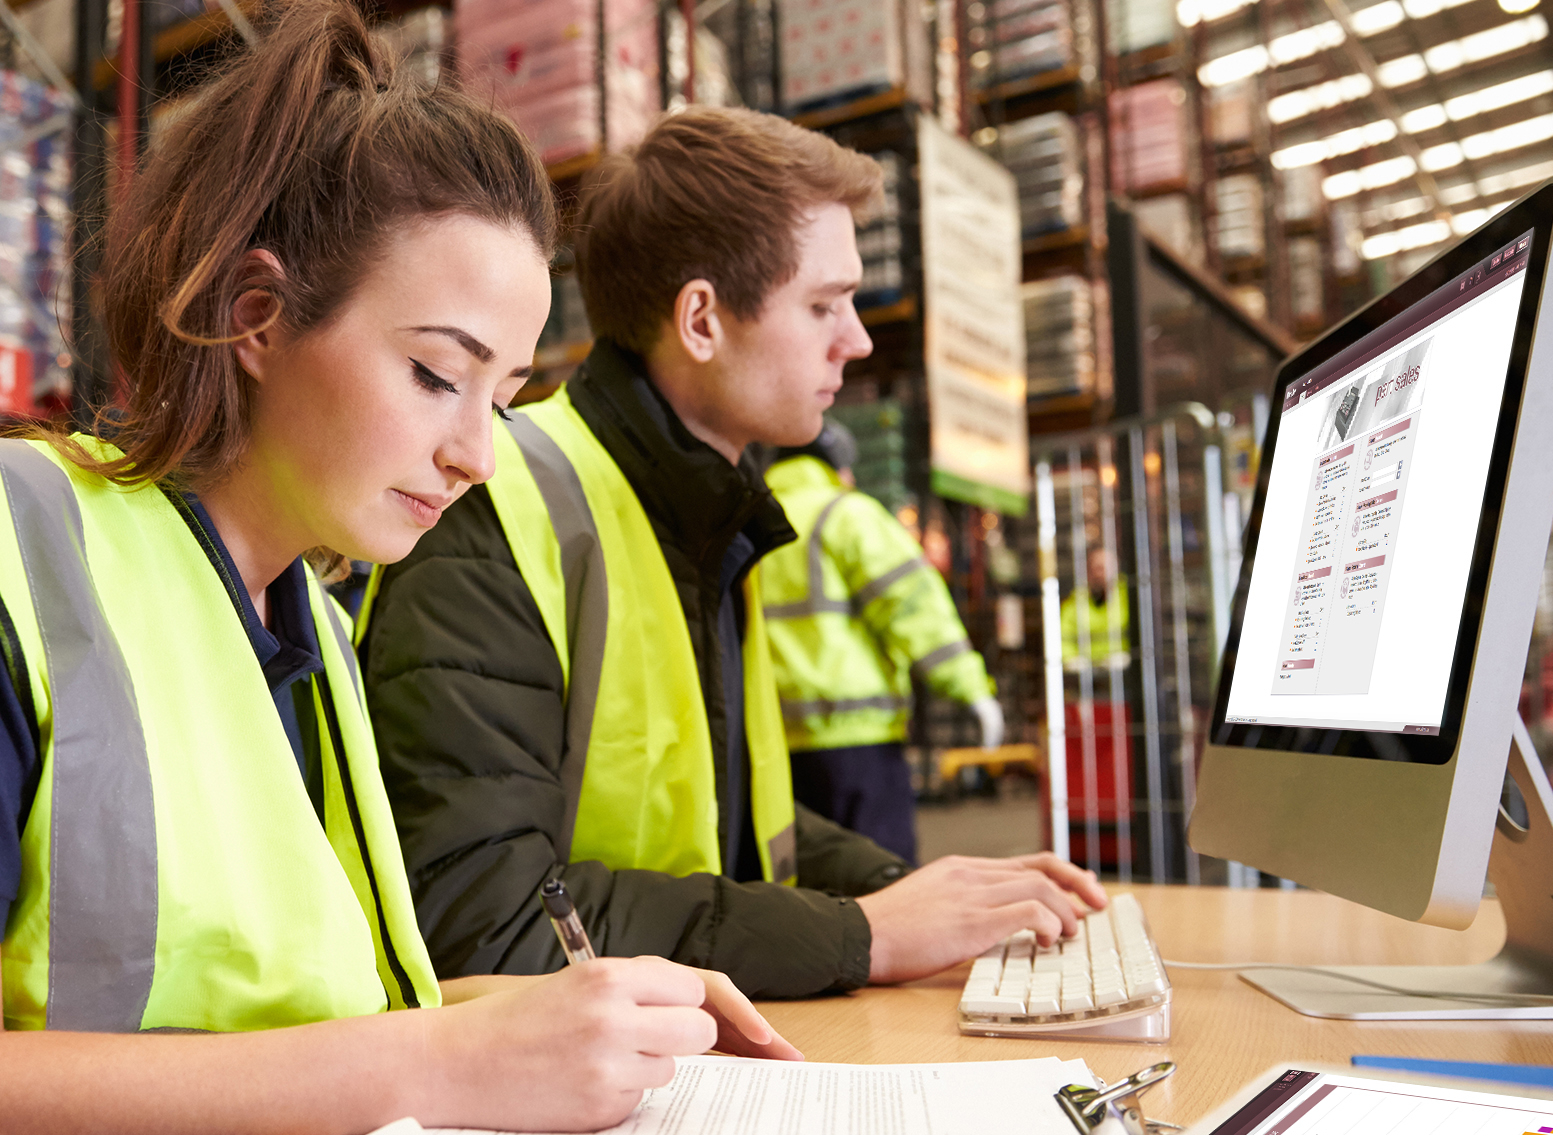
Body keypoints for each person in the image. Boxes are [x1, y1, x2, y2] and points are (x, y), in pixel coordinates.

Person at [0, 11, 795, 1135]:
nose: (477, 455)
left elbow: (296, 1018)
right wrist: (440, 1055)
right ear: (258, 316)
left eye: (506, 396)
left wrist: (569, 1014)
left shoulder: (310, 630)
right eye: (439, 375)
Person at [359, 106, 1105, 1001]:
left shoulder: (707, 517)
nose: (857, 339)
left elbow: (740, 834)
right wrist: (859, 933)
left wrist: (918, 893)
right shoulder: (494, 506)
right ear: (703, 320)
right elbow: (487, 918)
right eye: (824, 303)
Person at [759, 421, 1005, 863]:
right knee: (881, 875)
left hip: (773, 745)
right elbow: (911, 606)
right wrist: (971, 690)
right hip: (857, 739)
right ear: (838, 467)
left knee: (805, 886)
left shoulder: (749, 520)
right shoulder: (845, 513)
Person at [1061, 545, 1131, 668]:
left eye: (1104, 568)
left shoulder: (1129, 596)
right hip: (1087, 669)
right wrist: (1071, 658)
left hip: (1124, 666)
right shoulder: (1076, 599)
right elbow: (1063, 635)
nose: (1099, 573)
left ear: (1116, 569)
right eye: (1095, 568)